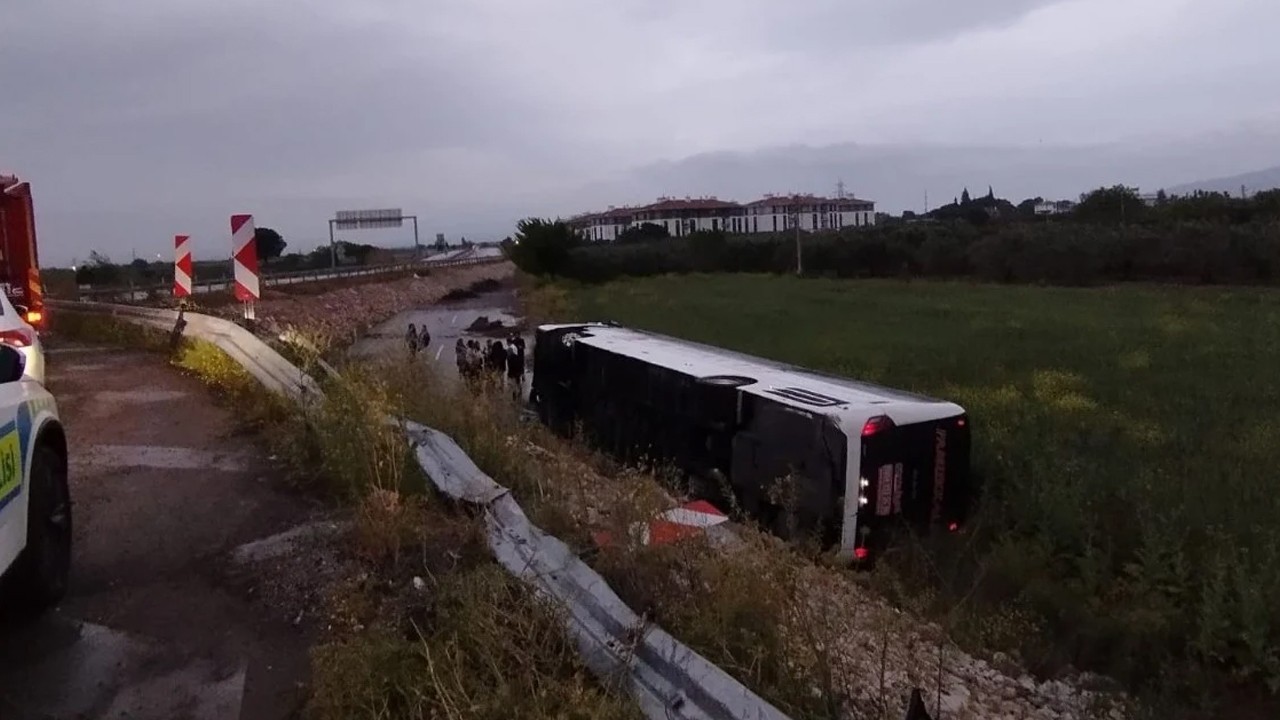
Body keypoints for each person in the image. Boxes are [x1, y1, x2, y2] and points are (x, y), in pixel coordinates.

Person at [506, 335, 525, 400]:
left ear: (508, 342)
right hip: (517, 366)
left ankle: (515, 395)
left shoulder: (510, 348)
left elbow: (509, 358)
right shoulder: (514, 347)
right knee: (518, 381)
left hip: (513, 368)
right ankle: (519, 393)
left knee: (513, 382)